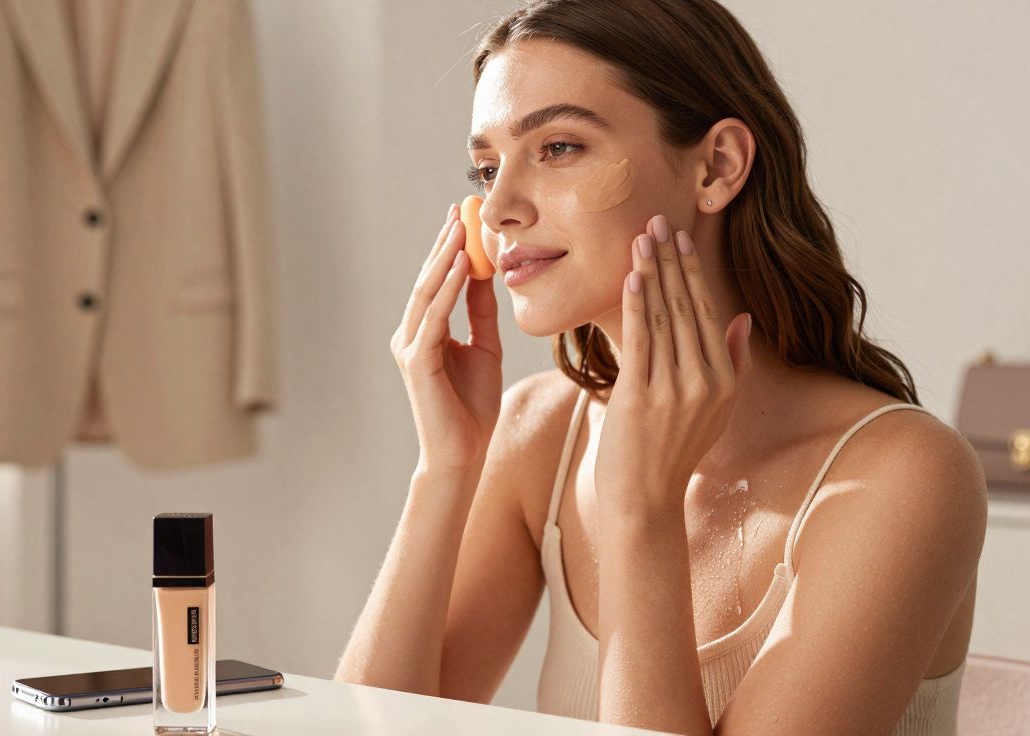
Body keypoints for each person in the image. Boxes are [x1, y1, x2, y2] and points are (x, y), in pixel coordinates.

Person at [335, 1, 987, 734]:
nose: (498, 210)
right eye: (486, 168)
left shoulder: (901, 475)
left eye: (557, 148)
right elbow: (361, 729)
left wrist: (642, 511)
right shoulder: (540, 433)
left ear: (716, 166)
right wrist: (444, 469)